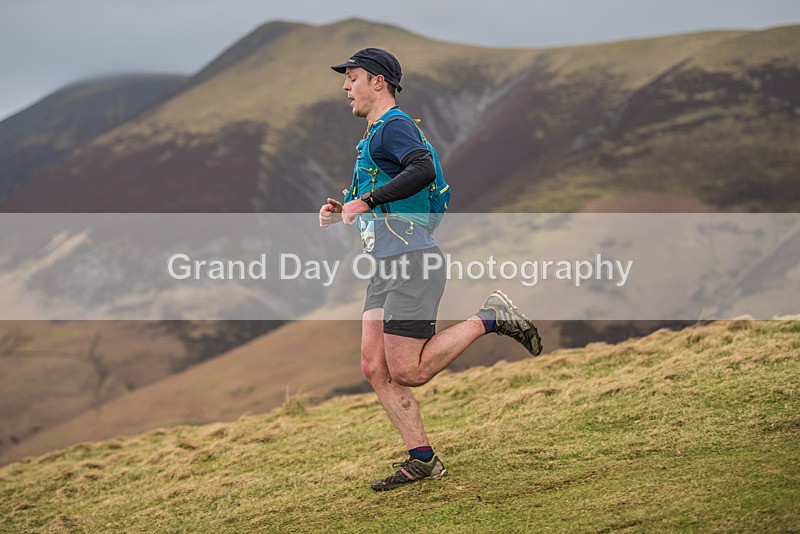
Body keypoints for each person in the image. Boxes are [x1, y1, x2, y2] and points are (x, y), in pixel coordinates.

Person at [320, 48, 542, 491]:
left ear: (378, 82)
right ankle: (422, 460)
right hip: (387, 264)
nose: (345, 86)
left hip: (412, 262)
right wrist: (345, 208)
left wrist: (369, 200)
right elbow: (392, 192)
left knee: (410, 372)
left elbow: (421, 168)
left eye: (353, 78)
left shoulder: (394, 125)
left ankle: (491, 317)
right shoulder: (374, 135)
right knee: (374, 366)